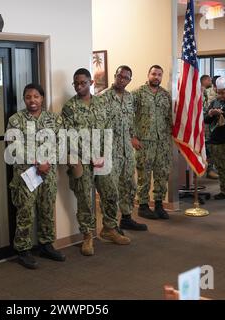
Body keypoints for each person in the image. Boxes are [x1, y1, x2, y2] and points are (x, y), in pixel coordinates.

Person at [61, 68, 130, 256]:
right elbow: (68, 136)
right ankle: (88, 236)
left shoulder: (102, 103)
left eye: (83, 82)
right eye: (76, 83)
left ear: (91, 83)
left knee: (110, 193)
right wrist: (87, 154)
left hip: (102, 158)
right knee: (85, 198)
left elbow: (109, 129)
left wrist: (104, 154)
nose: (79, 86)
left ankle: (109, 229)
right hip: (81, 160)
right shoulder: (69, 107)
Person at [6, 83, 65, 269]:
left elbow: (60, 144)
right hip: (26, 175)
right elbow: (14, 146)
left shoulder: (54, 119)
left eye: (36, 96)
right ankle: (22, 250)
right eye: (28, 97)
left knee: (47, 209)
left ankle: (46, 245)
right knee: (26, 211)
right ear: (24, 99)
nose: (32, 100)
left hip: (48, 173)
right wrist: (36, 162)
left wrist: (47, 162)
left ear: (42, 98)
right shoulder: (15, 120)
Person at [99, 66, 147, 232]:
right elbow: (97, 126)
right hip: (110, 151)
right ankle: (110, 226)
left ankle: (126, 218)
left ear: (129, 81)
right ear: (115, 76)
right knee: (110, 191)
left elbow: (131, 120)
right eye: (119, 76)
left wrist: (133, 136)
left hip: (127, 150)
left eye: (126, 78)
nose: (122, 79)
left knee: (129, 186)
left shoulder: (129, 97)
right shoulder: (103, 97)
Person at [132, 65, 173, 220]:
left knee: (162, 174)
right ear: (148, 74)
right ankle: (143, 205)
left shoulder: (165, 95)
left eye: (159, 74)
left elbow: (169, 117)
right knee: (144, 173)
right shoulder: (138, 93)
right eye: (154, 74)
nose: (156, 77)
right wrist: (132, 137)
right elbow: (129, 116)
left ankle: (159, 205)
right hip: (144, 141)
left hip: (162, 141)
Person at [201, 75, 219, 179]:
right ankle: (209, 169)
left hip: (209, 123)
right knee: (207, 147)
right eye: (208, 79)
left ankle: (210, 169)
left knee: (210, 147)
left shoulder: (209, 92)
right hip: (203, 124)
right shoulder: (204, 91)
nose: (210, 81)